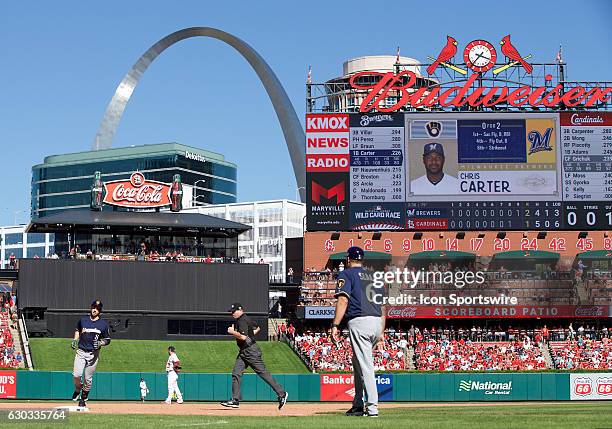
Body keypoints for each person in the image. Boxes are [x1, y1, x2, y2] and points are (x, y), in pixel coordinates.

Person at [331, 246, 384, 417]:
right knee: (358, 363)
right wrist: (381, 332)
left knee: (366, 366)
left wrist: (335, 325)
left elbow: (342, 301)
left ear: (348, 259)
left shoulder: (346, 274)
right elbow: (383, 306)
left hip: (360, 321)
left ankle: (373, 408)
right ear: (362, 260)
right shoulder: (374, 275)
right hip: (377, 321)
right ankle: (358, 404)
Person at [221, 303, 288, 410]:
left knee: (263, 374)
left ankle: (282, 394)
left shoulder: (242, 320)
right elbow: (257, 328)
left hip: (250, 351)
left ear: (240, 310)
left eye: (234, 311)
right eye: (231, 311)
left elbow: (243, 337)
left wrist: (233, 332)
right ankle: (235, 400)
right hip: (244, 351)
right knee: (236, 373)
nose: (232, 313)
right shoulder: (246, 318)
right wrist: (251, 337)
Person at [71, 299, 111, 408]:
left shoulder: (103, 324)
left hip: (93, 354)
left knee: (88, 379)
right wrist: (75, 340)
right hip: (81, 351)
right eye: (93, 307)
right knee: (76, 375)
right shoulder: (83, 320)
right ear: (91, 307)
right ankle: (78, 388)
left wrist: (100, 343)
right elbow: (77, 330)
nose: (95, 309)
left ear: (100, 311)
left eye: (97, 308)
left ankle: (83, 399)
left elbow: (108, 339)